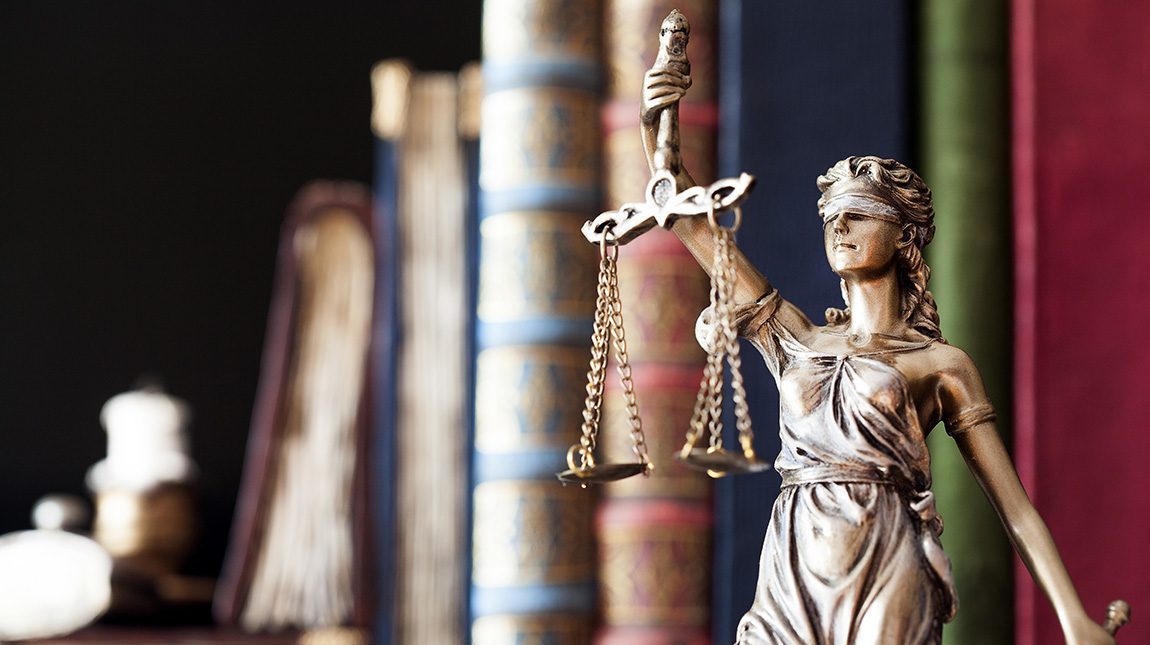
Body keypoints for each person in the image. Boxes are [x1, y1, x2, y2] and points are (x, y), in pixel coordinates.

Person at [641, 65, 1116, 645]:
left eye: (858, 213)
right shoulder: (796, 339)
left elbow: (1013, 509)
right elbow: (694, 223)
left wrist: (1074, 620)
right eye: (830, 217)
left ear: (904, 237)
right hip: (792, 565)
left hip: (887, 558)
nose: (838, 226)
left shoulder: (940, 364)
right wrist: (660, 142)